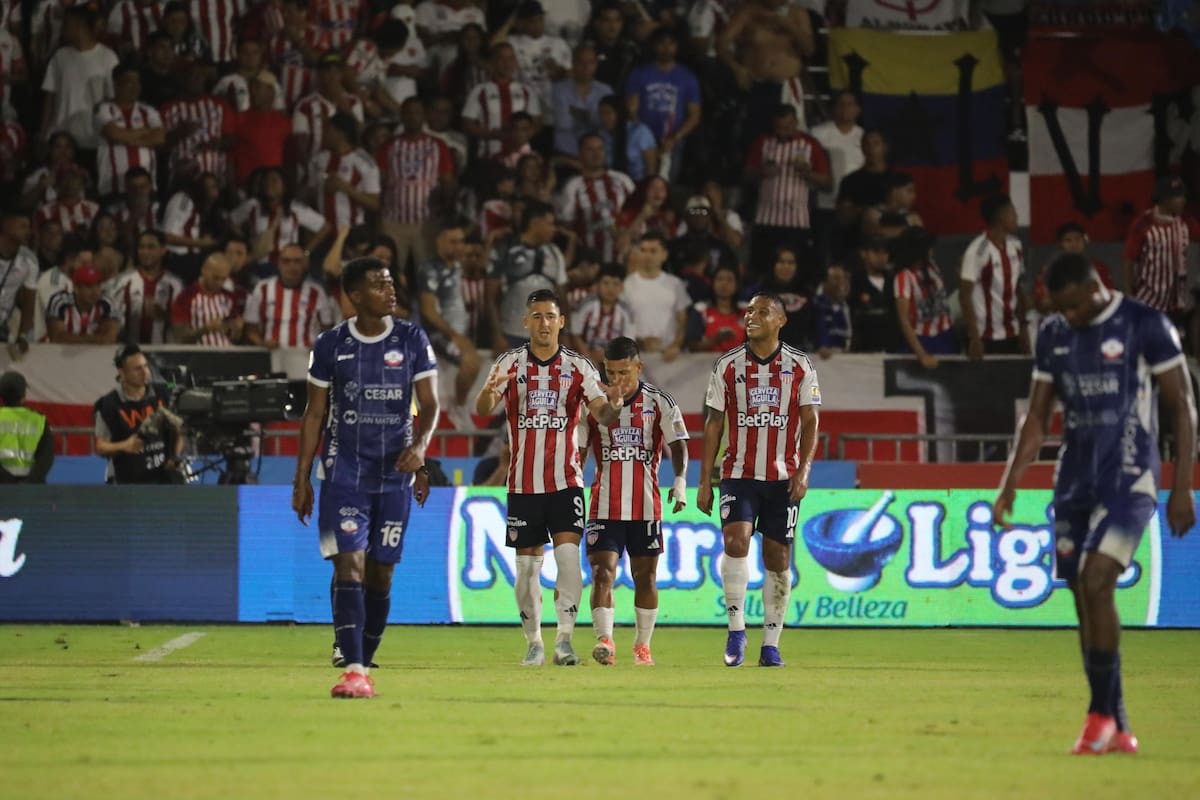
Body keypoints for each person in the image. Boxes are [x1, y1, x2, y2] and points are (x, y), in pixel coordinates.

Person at [993, 252, 1196, 755]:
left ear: (1094, 289)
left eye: (1074, 308)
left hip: (1130, 476)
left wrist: (1182, 484)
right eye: (1060, 310)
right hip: (1074, 481)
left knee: (1097, 577)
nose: (1070, 318)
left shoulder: (1145, 325)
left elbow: (1182, 406)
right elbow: (1037, 417)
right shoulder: (1055, 334)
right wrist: (1010, 482)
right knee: (1084, 599)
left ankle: (1098, 715)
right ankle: (1117, 722)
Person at [293, 256, 440, 699]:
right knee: (349, 562)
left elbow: (430, 406)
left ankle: (363, 657)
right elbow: (314, 413)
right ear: (354, 295)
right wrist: (301, 479)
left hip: (394, 473)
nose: (390, 291)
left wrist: (420, 453)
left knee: (382, 575)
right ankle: (354, 667)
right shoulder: (330, 344)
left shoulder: (412, 338)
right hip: (344, 471)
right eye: (378, 284)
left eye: (391, 283)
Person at [473, 288, 624, 667]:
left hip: (565, 482)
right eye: (536, 316)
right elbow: (481, 408)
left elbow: (602, 414)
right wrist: (488, 393)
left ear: (561, 322)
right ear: (526, 322)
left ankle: (564, 641)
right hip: (523, 484)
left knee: (570, 561)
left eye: (550, 316)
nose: (543, 323)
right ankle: (534, 643)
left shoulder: (578, 367)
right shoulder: (509, 363)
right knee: (527, 569)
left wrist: (615, 406)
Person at [698, 292, 821, 667]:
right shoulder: (728, 365)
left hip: (782, 478)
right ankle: (736, 631)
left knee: (777, 556)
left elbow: (811, 420)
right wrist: (706, 479)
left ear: (780, 321)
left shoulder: (800, 366)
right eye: (749, 311)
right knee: (735, 542)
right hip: (738, 474)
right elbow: (713, 423)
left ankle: (771, 645)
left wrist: (804, 470)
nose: (752, 317)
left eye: (762, 312)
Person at [578, 336, 688, 666]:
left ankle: (642, 646)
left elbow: (678, 444)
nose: (617, 380)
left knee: (646, 577)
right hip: (604, 505)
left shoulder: (658, 402)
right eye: (611, 373)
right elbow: (579, 451)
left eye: (624, 372)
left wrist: (680, 482)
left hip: (645, 506)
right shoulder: (595, 407)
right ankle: (605, 640)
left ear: (638, 367)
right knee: (602, 572)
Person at [746, 103, 831, 279]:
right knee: (762, 268)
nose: (783, 132)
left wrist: (807, 172)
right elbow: (746, 174)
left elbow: (827, 182)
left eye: (787, 127)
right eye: (779, 128)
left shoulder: (810, 145)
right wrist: (761, 170)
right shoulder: (763, 142)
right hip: (766, 218)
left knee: (796, 270)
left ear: (796, 123)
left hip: (797, 220)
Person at [417, 221, 481, 431]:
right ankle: (459, 407)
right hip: (437, 334)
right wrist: (454, 335)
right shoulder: (429, 270)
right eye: (452, 242)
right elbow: (428, 310)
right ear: (439, 243)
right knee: (471, 362)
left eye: (461, 242)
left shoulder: (458, 266)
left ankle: (459, 406)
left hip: (457, 331)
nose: (458, 247)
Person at [485, 200, 567, 351]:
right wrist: (496, 335)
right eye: (550, 224)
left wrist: (562, 333)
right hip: (511, 334)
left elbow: (562, 297)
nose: (553, 229)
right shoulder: (504, 251)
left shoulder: (555, 253)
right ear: (535, 223)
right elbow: (490, 297)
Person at [94, 343, 182, 484]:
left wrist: (174, 457)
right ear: (122, 372)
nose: (145, 372)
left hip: (162, 477)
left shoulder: (163, 395)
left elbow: (178, 432)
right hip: (126, 480)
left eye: (146, 366)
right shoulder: (108, 405)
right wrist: (124, 445)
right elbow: (100, 446)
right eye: (137, 368)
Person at [623, 27, 700, 181]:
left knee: (665, 187)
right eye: (662, 43)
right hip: (644, 142)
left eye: (671, 44)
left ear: (677, 46)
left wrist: (675, 138)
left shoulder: (687, 77)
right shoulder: (640, 73)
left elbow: (694, 115)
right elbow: (632, 109)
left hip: (673, 143)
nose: (666, 48)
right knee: (640, 184)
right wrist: (645, 137)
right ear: (654, 46)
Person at [960, 194, 1028, 359]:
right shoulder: (978, 251)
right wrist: (974, 337)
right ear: (1001, 217)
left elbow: (1018, 287)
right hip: (985, 337)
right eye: (1013, 212)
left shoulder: (1016, 245)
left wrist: (1023, 326)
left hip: (1012, 332)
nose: (1016, 217)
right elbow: (964, 295)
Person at [1122, 176, 1194, 330]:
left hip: (1175, 302)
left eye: (1183, 196)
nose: (1183, 200)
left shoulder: (1183, 222)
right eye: (1177, 196)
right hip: (1149, 300)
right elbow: (1129, 260)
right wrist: (1129, 297)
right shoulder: (1143, 223)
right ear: (1164, 199)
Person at [556, 132, 634, 263]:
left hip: (624, 258)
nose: (596, 153)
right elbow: (567, 224)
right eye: (590, 149)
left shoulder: (622, 180)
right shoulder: (573, 186)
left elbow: (638, 213)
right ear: (580, 154)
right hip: (590, 260)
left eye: (600, 148)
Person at [245, 243, 335, 349]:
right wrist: (262, 343)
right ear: (278, 263)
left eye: (297, 261)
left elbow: (327, 329)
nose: (292, 266)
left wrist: (318, 345)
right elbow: (250, 330)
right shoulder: (262, 289)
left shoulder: (316, 292)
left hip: (306, 357)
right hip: (272, 356)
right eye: (286, 261)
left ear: (305, 264)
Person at [892, 226, 955, 369]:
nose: (932, 250)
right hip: (922, 339)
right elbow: (904, 320)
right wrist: (922, 354)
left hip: (945, 335)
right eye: (928, 247)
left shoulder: (933, 267)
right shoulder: (904, 277)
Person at [111, 230, 186, 345]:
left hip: (165, 354)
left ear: (163, 250)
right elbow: (110, 318)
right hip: (129, 353)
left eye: (151, 247)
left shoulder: (175, 285)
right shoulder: (124, 281)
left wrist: (165, 316)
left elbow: (184, 327)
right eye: (141, 247)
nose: (145, 252)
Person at [623, 232, 689, 361]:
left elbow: (682, 320)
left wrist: (676, 346)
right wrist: (639, 343)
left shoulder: (675, 284)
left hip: (668, 356)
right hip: (635, 357)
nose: (647, 255)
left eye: (653, 251)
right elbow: (622, 322)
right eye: (643, 250)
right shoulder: (626, 285)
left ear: (664, 255)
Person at [550, 43, 612, 161]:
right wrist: (593, 116)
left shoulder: (605, 90)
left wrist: (574, 111)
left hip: (597, 155)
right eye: (581, 62)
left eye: (590, 62)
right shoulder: (559, 89)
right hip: (566, 153)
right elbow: (564, 123)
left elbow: (606, 123)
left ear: (596, 64)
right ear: (573, 63)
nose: (586, 66)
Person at [171, 252, 245, 346]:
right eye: (215, 278)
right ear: (204, 270)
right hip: (198, 356)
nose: (219, 283)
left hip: (226, 356)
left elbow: (234, 339)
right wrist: (205, 329)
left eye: (223, 279)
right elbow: (180, 339)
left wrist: (237, 331)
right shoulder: (186, 297)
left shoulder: (229, 297)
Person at [568, 262, 632, 362]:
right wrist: (588, 357)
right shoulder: (585, 304)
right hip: (584, 357)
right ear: (597, 285)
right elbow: (575, 335)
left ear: (622, 287)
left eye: (615, 284)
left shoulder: (626, 311)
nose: (610, 288)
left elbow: (629, 342)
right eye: (606, 283)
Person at [45, 264, 122, 344]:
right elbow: (57, 338)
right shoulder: (60, 302)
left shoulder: (107, 303)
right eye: (89, 287)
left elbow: (110, 339)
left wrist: (75, 339)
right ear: (76, 288)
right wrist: (96, 339)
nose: (95, 292)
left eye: (97, 285)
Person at [0, 370, 53, 484]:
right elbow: (46, 458)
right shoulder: (39, 421)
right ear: (23, 395)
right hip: (32, 491)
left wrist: (8, 482)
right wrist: (28, 483)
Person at [849, 236, 897, 353]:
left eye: (885, 252)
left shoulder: (894, 281)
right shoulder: (854, 281)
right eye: (876, 252)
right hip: (863, 347)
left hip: (891, 345)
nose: (881, 257)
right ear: (863, 254)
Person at [0, 207, 38, 354]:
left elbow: (29, 305)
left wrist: (23, 335)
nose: (28, 231)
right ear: (5, 225)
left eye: (28, 227)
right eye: (22, 226)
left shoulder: (29, 260)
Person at [690, 263, 746, 352]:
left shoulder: (747, 311)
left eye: (729, 280)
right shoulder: (701, 310)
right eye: (719, 279)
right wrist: (714, 340)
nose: (724, 284)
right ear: (712, 283)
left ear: (737, 285)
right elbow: (692, 346)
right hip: (706, 365)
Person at [813, 263, 851, 357]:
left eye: (844, 278)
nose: (842, 282)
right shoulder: (815, 305)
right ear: (824, 282)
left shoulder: (847, 307)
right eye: (836, 278)